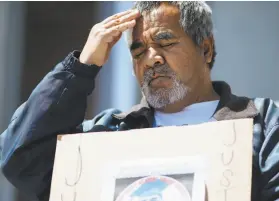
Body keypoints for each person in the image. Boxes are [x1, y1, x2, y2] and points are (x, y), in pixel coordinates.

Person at [0, 1, 278, 201]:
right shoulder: (108, 132)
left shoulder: (263, 123)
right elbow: (21, 160)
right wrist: (82, 67)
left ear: (205, 49)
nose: (151, 59)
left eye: (166, 43)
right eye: (138, 51)